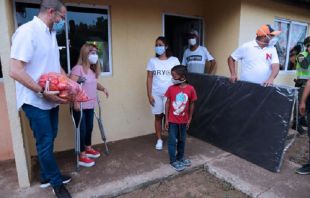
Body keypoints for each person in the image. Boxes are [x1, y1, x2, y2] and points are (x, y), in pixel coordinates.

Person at [9, 1, 71, 197]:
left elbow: (54, 66)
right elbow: (15, 70)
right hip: (35, 99)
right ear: (51, 12)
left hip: (50, 98)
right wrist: (42, 92)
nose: (63, 22)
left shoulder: (51, 34)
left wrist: (69, 84)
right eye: (62, 18)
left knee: (49, 137)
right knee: (45, 141)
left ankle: (46, 174)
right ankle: (56, 183)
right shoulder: (28, 32)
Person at [70, 43, 109, 167]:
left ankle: (88, 148)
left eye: (96, 53)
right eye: (92, 53)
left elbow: (94, 84)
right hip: (80, 106)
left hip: (90, 105)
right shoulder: (78, 69)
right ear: (86, 53)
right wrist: (75, 101)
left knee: (89, 128)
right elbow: (71, 86)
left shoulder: (92, 71)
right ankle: (81, 155)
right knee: (81, 130)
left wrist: (103, 88)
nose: (95, 55)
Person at [146, 36, 180, 150]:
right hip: (156, 93)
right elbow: (149, 78)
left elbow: (179, 75)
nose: (158, 47)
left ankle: (172, 137)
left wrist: (178, 91)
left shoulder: (174, 60)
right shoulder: (152, 61)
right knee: (158, 116)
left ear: (166, 46)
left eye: (160, 45)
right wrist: (149, 95)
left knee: (171, 117)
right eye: (156, 45)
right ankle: (159, 140)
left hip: (170, 94)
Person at [164, 65, 197, 171]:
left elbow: (192, 104)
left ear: (182, 76)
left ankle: (180, 158)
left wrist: (190, 118)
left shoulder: (190, 89)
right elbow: (167, 103)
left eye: (174, 75)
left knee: (182, 140)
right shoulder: (171, 88)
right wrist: (167, 119)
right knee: (172, 141)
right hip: (172, 121)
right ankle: (173, 160)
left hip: (183, 121)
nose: (172, 78)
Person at [295, 37, 310, 175]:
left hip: (307, 85)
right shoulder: (301, 55)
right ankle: (297, 125)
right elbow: (305, 66)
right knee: (301, 108)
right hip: (302, 85)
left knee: (305, 111)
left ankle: (302, 122)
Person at [290, 44, 307, 134]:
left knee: (306, 103)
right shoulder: (301, 55)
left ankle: (302, 120)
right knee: (300, 103)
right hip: (302, 83)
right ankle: (296, 123)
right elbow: (305, 67)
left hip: (308, 83)